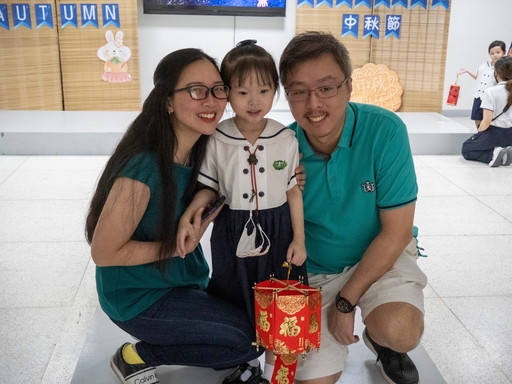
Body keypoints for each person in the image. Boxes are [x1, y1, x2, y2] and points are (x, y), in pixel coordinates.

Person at [85, 48, 264, 384]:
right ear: (168, 102)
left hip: (180, 282)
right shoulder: (144, 167)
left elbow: (217, 183)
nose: (211, 101)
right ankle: (137, 356)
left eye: (218, 89)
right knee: (249, 341)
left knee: (257, 322)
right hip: (139, 297)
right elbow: (104, 252)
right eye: (196, 91)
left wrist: (202, 197)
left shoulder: (199, 151)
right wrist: (174, 246)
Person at [276, 31, 427, 384]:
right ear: (288, 95)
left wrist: (347, 301)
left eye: (327, 88)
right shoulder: (281, 146)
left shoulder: (384, 131)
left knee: (400, 329)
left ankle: (383, 339)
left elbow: (397, 231)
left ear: (348, 87)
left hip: (381, 255)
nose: (314, 104)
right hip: (316, 270)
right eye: (299, 91)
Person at [178, 39, 307, 384]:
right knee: (237, 293)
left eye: (264, 90)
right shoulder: (218, 137)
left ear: (275, 91)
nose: (254, 101)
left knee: (280, 296)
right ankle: (243, 357)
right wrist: (194, 208)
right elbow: (210, 185)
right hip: (232, 230)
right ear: (227, 94)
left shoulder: (286, 137)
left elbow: (294, 191)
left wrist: (300, 239)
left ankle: (274, 372)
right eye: (242, 91)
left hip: (278, 228)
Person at [461, 56, 512, 166]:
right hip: (510, 134)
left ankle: (494, 154)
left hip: (494, 132)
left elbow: (486, 121)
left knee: (467, 149)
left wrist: (479, 133)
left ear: (497, 73)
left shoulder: (490, 92)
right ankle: (505, 151)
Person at [458, 40, 507, 128]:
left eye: (498, 52)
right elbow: (478, 77)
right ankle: (479, 133)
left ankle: (486, 134)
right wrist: (467, 71)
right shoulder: (484, 65)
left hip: (490, 97)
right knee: (477, 117)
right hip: (478, 95)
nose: (495, 55)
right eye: (492, 53)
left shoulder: (503, 68)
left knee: (488, 117)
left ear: (504, 52)